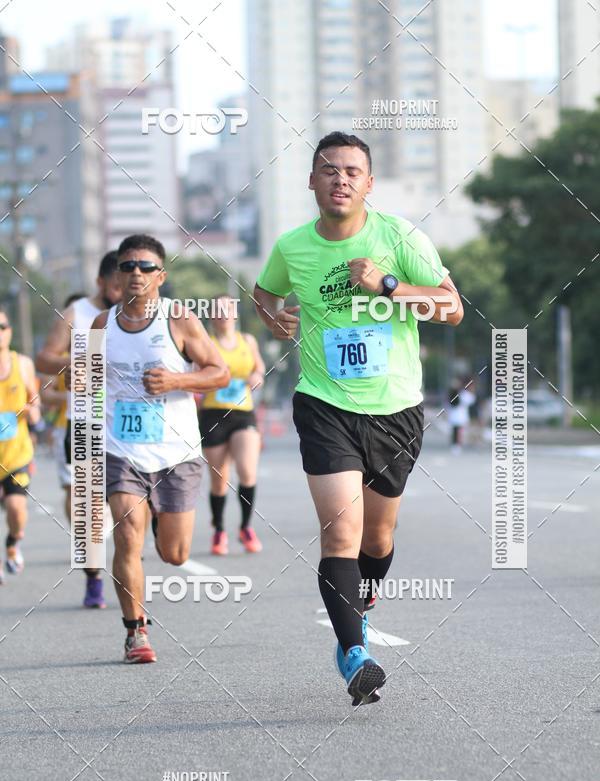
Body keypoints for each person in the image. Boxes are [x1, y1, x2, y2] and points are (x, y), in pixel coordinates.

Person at [253, 131, 463, 705]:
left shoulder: (399, 236)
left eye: (352, 171)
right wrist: (274, 319)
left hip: (396, 408)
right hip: (324, 403)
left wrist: (386, 284)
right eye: (329, 170)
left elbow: (451, 309)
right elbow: (263, 291)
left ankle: (362, 602)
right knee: (340, 531)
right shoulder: (293, 246)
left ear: (369, 183)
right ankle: (353, 654)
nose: (340, 179)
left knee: (378, 535)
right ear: (312, 181)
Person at [92, 233, 229, 663]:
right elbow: (87, 383)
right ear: (117, 274)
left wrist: (177, 381)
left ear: (161, 276)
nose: (136, 273)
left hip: (176, 452)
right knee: (126, 536)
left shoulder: (181, 319)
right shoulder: (101, 325)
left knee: (174, 554)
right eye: (128, 266)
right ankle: (136, 633)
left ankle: (159, 521)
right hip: (122, 449)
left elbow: (220, 372)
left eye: (146, 267)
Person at [36, 253, 122, 608]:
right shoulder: (77, 314)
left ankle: (130, 552)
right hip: (85, 420)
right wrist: (79, 359)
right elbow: (44, 358)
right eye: (116, 285)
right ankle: (93, 578)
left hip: (126, 425)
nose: (123, 293)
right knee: (88, 508)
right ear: (100, 282)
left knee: (132, 506)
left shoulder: (141, 314)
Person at [198, 294, 266, 555]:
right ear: (211, 315)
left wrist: (257, 377)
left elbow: (259, 368)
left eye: (228, 309)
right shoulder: (205, 343)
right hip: (213, 415)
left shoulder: (247, 341)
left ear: (235, 315)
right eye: (217, 309)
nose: (223, 314)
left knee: (247, 471)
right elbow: (195, 373)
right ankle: (219, 530)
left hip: (242, 414)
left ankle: (246, 527)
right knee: (219, 480)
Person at [0, 305, 41, 582]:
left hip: (17, 454)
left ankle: (13, 542)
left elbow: (36, 407)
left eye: (2, 327)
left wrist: (29, 411)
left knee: (16, 509)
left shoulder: (23, 364)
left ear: (10, 331)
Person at [42, 293, 85, 521]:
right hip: (66, 428)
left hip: (103, 427)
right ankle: (80, 542)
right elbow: (46, 395)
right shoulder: (57, 359)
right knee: (74, 488)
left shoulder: (107, 350)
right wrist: (74, 397)